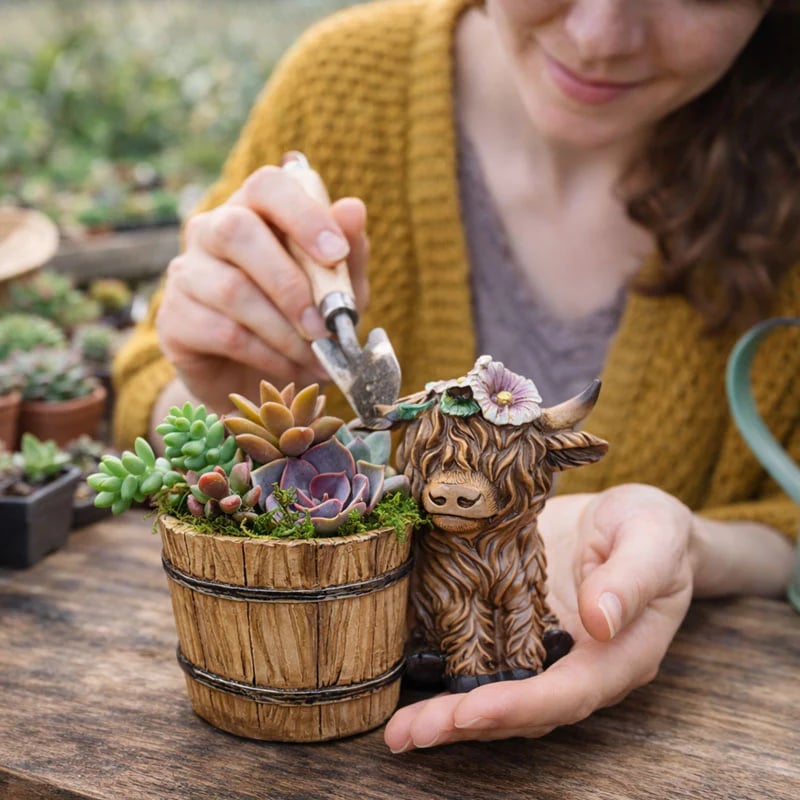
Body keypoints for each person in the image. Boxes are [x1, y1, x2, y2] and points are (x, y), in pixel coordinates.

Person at [113, 0, 800, 752]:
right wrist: (222, 395)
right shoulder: (343, 87)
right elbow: (149, 384)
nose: (599, 36)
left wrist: (692, 544)